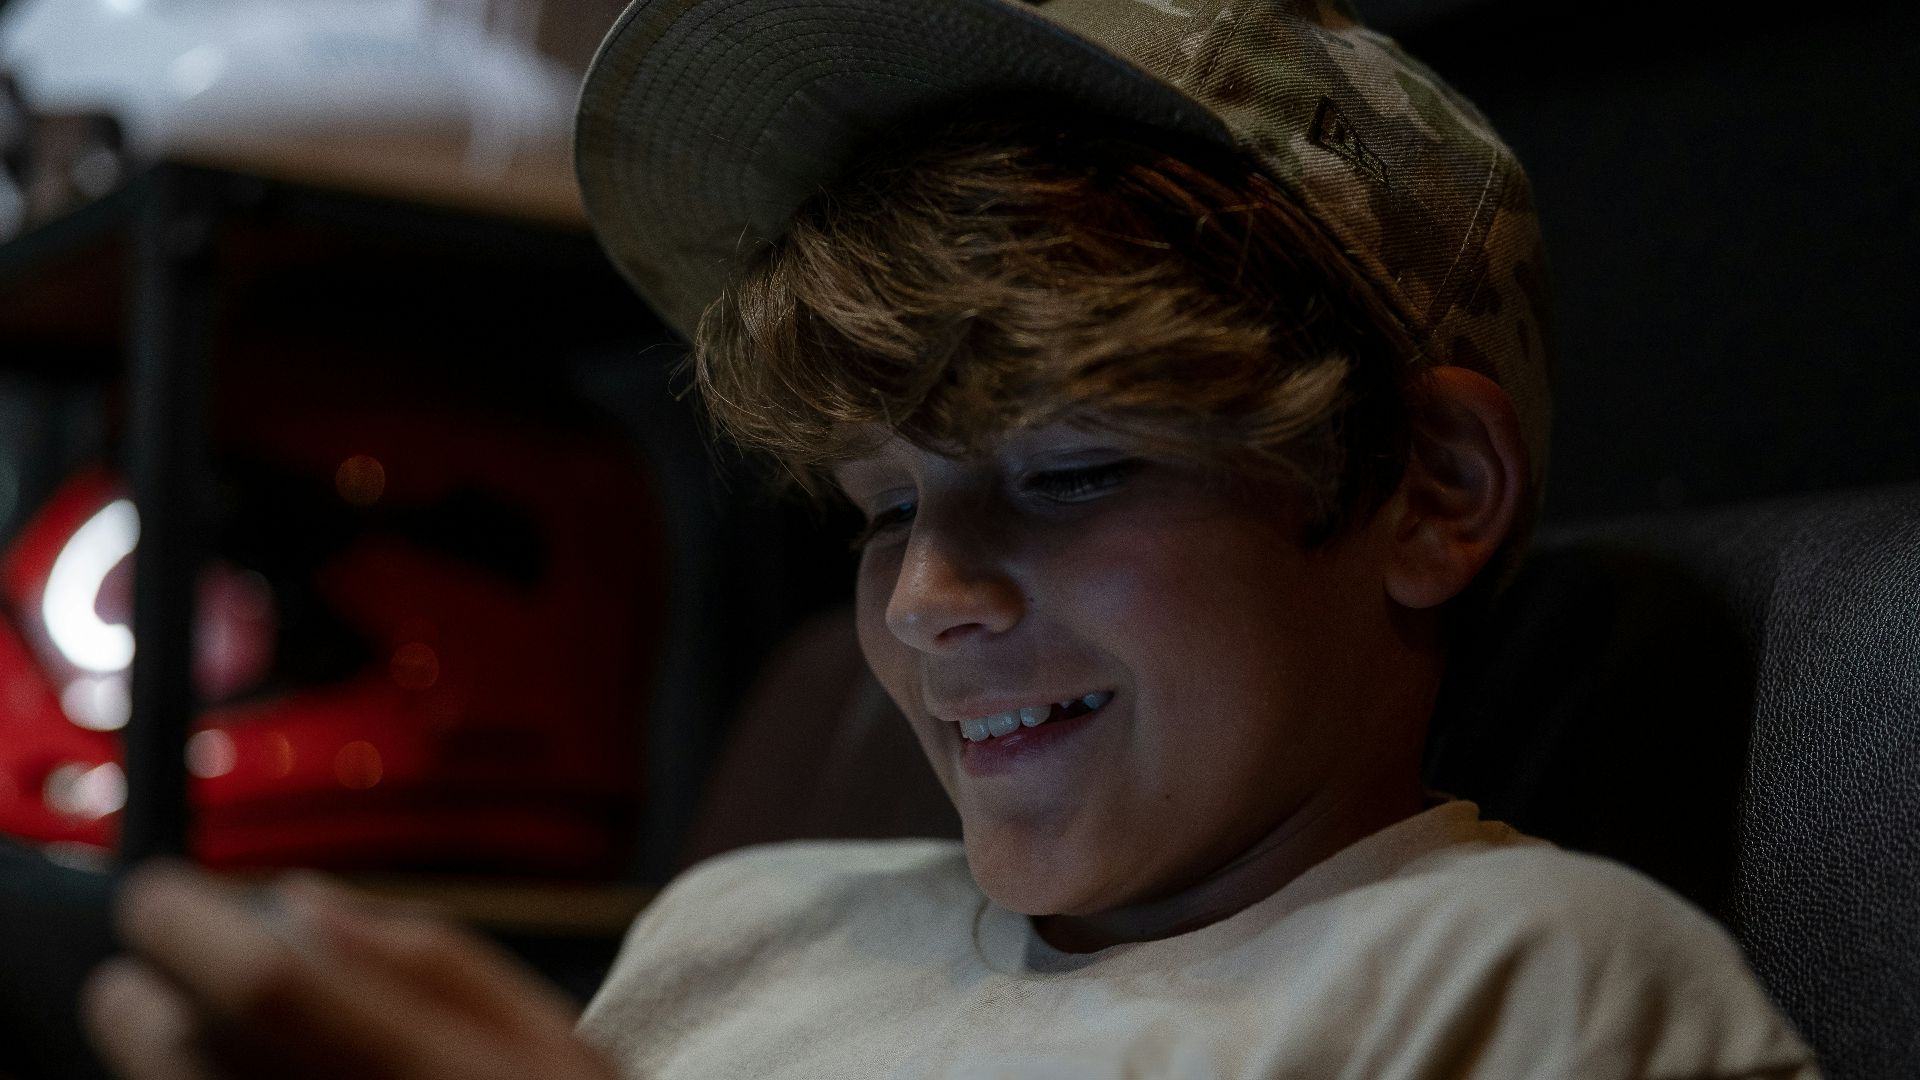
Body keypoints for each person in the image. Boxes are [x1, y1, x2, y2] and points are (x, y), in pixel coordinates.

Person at [79, 0, 1821, 1078]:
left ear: (1431, 490)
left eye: (1071, 474)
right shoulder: (742, 925)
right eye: (886, 507)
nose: (924, 599)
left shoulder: (1540, 984)